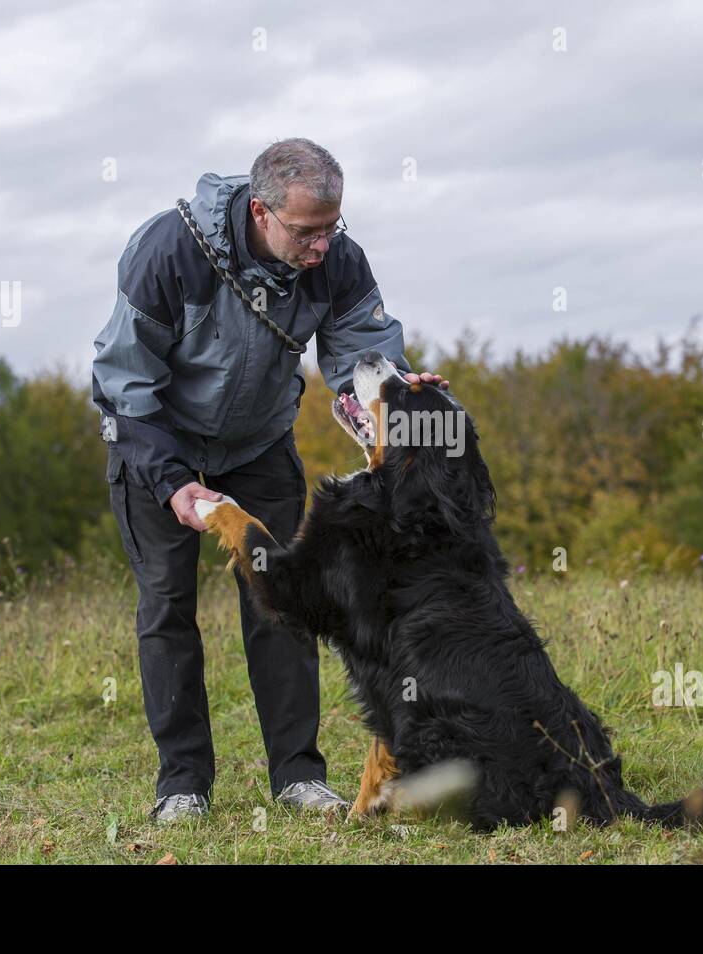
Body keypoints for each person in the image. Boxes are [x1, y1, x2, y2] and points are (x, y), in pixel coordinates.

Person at [91, 137, 449, 822]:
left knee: (280, 599)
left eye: (332, 227)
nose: (323, 245)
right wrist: (172, 483)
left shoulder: (337, 260)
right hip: (156, 439)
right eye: (308, 231)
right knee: (167, 605)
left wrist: (397, 398)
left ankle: (297, 775)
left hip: (256, 443)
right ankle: (183, 784)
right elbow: (123, 385)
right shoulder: (169, 252)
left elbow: (359, 360)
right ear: (261, 210)